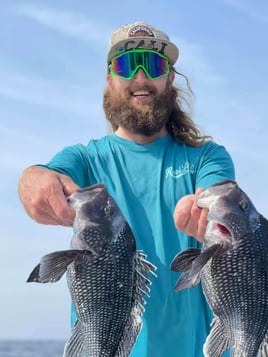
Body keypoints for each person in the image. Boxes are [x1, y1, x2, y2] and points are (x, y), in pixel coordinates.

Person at [18, 22, 235, 357]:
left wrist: (209, 210)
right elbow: (42, 176)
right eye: (125, 65)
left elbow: (219, 193)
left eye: (153, 64)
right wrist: (30, 179)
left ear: (169, 79)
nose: (139, 76)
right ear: (110, 79)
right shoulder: (84, 158)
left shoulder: (206, 157)